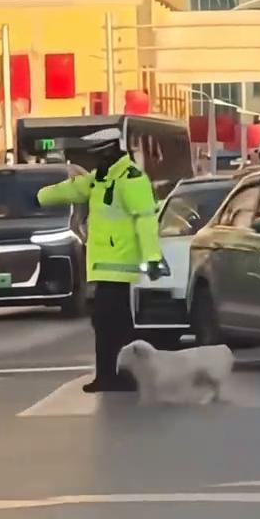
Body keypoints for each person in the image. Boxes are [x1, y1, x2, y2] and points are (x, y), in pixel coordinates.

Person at [37, 127, 165, 392]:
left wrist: (152, 257)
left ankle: (123, 376)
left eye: (97, 155)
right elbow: (72, 189)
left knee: (114, 324)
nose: (92, 161)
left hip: (121, 266)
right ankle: (107, 376)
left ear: (110, 151)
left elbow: (146, 219)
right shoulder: (101, 178)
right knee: (104, 324)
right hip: (103, 266)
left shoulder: (131, 178)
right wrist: (40, 196)